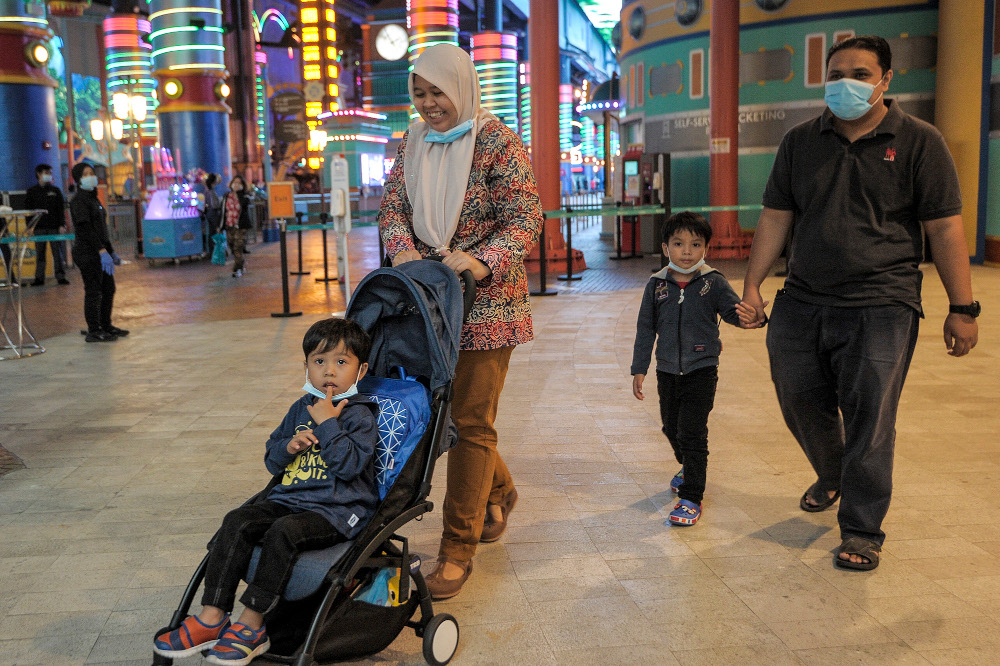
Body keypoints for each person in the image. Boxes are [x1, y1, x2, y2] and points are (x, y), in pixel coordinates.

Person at [741, 36, 979, 570]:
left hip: (882, 302)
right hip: (802, 298)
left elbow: (943, 228)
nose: (846, 82)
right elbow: (777, 216)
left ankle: (862, 529)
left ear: (886, 80)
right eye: (837, 73)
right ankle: (832, 472)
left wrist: (963, 307)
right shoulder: (801, 141)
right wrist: (754, 284)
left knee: (871, 416)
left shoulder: (920, 141)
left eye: (861, 73)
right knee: (799, 398)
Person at [378, 43, 542, 599]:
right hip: (427, 301)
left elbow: (525, 218)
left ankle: (457, 548)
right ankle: (501, 489)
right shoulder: (412, 141)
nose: (428, 104)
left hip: (486, 302)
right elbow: (392, 207)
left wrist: (481, 258)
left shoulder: (496, 141)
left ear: (462, 87)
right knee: (438, 416)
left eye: (437, 92)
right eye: (419, 94)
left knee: (470, 420)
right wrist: (402, 252)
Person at [153, 318, 378, 666]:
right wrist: (288, 447)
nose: (329, 371)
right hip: (289, 499)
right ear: (306, 366)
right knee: (238, 519)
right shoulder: (300, 408)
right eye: (319, 362)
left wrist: (327, 423)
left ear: (360, 369)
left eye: (341, 362)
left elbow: (349, 466)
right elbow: (273, 461)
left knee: (283, 533)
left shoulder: (360, 415)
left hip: (335, 511)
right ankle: (212, 617)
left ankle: (253, 625)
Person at [630, 212, 755, 527]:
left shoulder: (713, 282)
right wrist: (639, 367)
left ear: (706, 249)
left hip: (702, 369)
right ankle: (688, 465)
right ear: (665, 247)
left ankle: (691, 497)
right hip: (668, 370)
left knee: (692, 432)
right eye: (678, 243)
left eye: (695, 244)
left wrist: (751, 316)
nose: (687, 251)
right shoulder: (656, 284)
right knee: (671, 428)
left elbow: (732, 312)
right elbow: (646, 328)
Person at [69, 162, 128, 343]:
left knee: (108, 288)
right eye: (86, 174)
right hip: (87, 252)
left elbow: (101, 229)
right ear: (79, 179)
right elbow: (85, 228)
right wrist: (101, 250)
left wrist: (111, 251)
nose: (91, 177)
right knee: (94, 290)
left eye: (91, 173)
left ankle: (105, 325)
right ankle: (94, 330)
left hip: (100, 251)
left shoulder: (94, 199)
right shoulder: (79, 201)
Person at [24, 163, 69, 286]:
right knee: (40, 254)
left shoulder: (55, 191)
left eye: (50, 173)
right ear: (39, 174)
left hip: (54, 227)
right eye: (46, 173)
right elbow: (28, 212)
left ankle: (60, 276)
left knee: (58, 253)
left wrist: (62, 225)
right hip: (39, 228)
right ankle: (39, 278)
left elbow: (61, 209)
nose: (49, 175)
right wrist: (30, 226)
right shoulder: (32, 192)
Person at [222, 175, 252, 277]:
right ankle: (241, 263)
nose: (236, 185)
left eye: (239, 183)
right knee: (231, 246)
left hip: (240, 226)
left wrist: (239, 192)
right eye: (235, 182)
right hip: (229, 225)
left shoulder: (245, 195)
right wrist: (220, 225)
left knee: (238, 248)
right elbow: (223, 211)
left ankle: (236, 269)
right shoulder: (227, 196)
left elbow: (245, 204)